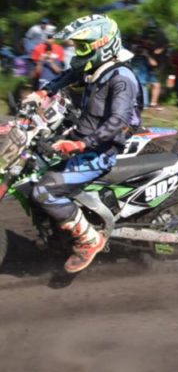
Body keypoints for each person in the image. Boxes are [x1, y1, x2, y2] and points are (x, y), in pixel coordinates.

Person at [29, 14, 142, 273]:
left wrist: (81, 145)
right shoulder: (99, 67)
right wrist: (44, 91)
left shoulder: (122, 77)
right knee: (35, 168)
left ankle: (89, 240)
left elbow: (117, 121)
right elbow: (70, 74)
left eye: (82, 46)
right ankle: (59, 231)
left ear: (104, 45)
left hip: (101, 149)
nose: (77, 52)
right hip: (84, 138)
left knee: (44, 191)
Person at [147, 44, 168, 110]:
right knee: (156, 86)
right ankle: (153, 103)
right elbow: (153, 63)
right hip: (153, 72)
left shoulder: (161, 55)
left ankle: (153, 102)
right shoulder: (152, 54)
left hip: (157, 73)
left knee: (156, 87)